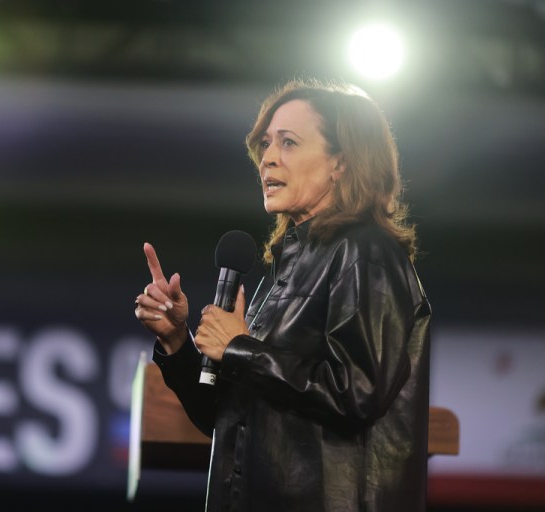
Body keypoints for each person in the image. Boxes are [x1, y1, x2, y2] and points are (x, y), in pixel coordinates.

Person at [134, 79, 431, 512]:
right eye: (266, 144)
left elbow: (358, 392)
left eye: (288, 143)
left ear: (341, 163)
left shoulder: (365, 252)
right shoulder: (284, 273)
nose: (267, 158)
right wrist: (177, 341)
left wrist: (240, 349)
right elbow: (228, 419)